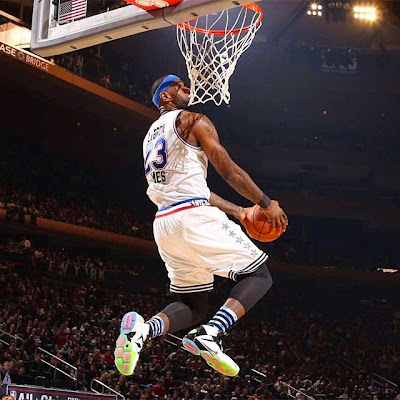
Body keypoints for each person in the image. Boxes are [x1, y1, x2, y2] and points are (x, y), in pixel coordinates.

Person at [114, 74, 288, 377]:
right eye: (178, 85)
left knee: (193, 306)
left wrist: (239, 211)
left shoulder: (150, 136)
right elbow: (228, 169)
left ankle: (142, 331)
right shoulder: (193, 120)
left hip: (164, 224)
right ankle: (211, 334)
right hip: (194, 217)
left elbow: (198, 188)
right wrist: (264, 202)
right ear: (164, 97)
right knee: (259, 274)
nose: (186, 87)